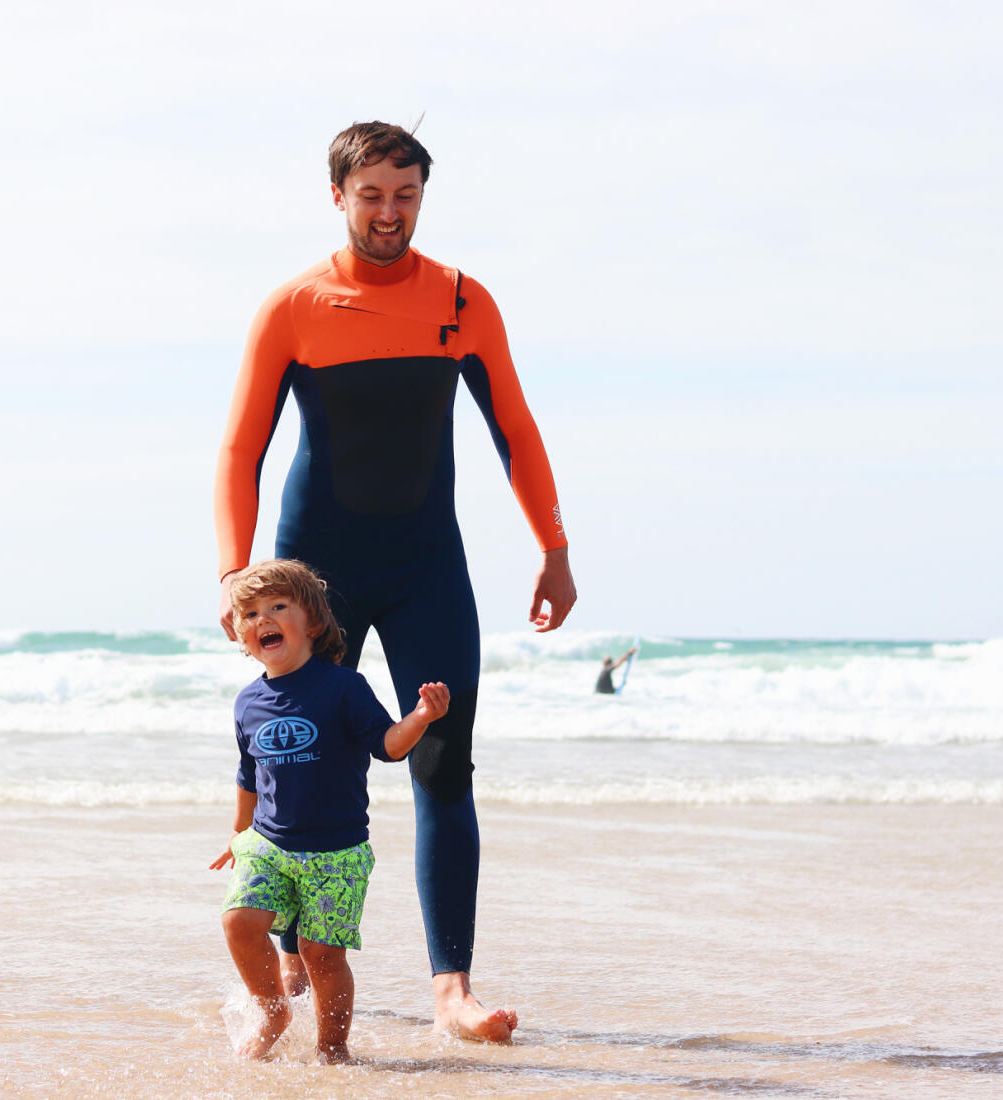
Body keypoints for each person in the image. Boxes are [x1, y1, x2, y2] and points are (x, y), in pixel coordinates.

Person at [214, 120, 576, 1042]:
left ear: (422, 196)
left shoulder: (462, 299)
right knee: (300, 753)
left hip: (425, 567)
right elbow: (241, 447)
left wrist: (554, 546)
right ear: (337, 196)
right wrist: (236, 577)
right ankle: (295, 951)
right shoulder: (293, 305)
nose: (388, 212)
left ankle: (451, 987)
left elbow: (516, 432)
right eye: (370, 194)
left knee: (443, 760)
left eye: (405, 194)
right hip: (313, 572)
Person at [210, 559, 450, 1063]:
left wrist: (421, 717)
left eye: (278, 607)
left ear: (312, 623)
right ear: (241, 634)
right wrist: (236, 834)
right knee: (238, 922)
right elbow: (249, 774)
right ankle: (273, 1009)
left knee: (322, 955)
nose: (262, 619)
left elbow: (388, 746)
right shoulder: (247, 702)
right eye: (250, 613)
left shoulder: (343, 687)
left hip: (336, 853)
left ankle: (333, 1048)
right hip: (269, 844)